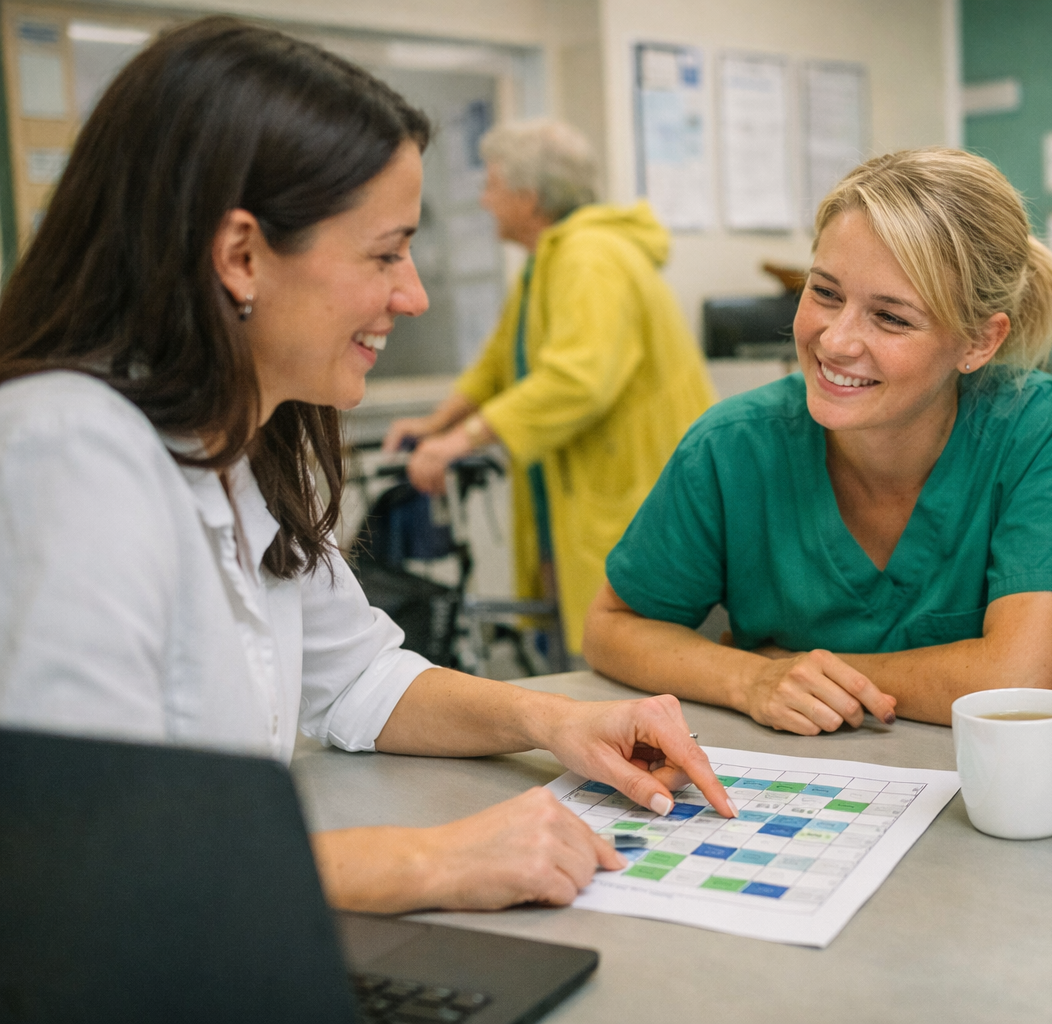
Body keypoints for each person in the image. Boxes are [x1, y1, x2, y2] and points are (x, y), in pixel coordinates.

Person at [0, 17, 734, 917]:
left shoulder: (250, 444)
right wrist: (431, 862)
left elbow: (358, 678)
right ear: (240, 257)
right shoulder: (68, 455)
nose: (414, 293)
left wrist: (552, 721)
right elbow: (83, 854)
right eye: (385, 252)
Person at [584, 148, 1052, 733]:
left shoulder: (1041, 430)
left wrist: (802, 669)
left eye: (891, 318)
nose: (836, 341)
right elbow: (612, 626)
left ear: (978, 343)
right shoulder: (734, 447)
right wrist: (749, 678)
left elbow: (1019, 683)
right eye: (825, 293)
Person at [383, 119, 714, 658]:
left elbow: (577, 380)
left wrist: (456, 443)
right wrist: (436, 422)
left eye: (491, 184)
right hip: (581, 491)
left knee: (620, 660)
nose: (484, 200)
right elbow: (498, 364)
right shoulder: (548, 260)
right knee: (577, 647)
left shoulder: (590, 258)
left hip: (632, 488)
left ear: (528, 196)